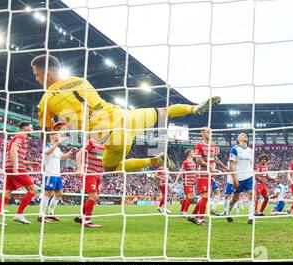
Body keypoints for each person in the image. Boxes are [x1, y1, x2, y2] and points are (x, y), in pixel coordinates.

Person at [31, 54, 220, 173]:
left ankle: (154, 159)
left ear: (47, 74)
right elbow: (82, 104)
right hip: (125, 116)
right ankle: (193, 108)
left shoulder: (45, 100)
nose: (37, 79)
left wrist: (57, 127)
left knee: (108, 169)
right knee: (163, 112)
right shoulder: (80, 80)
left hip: (112, 136)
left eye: (37, 75)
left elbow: (46, 135)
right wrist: (67, 121)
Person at [0, 122, 40, 226]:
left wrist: (31, 163)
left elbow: (16, 156)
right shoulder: (21, 136)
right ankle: (19, 214)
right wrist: (15, 167)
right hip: (15, 168)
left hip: (9, 167)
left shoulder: (17, 137)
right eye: (31, 127)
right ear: (25, 128)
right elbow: (13, 151)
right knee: (33, 190)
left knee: (6, 193)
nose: (33, 129)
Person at [188, 128, 227, 225]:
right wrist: (210, 167)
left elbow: (214, 158)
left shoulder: (212, 145)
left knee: (205, 196)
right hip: (203, 173)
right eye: (208, 132)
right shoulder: (199, 145)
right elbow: (198, 160)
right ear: (202, 133)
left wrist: (224, 167)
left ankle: (193, 215)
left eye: (211, 132)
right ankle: (201, 219)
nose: (210, 134)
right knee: (205, 196)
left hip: (210, 174)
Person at [38, 133, 77, 222]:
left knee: (59, 194)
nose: (60, 136)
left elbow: (63, 157)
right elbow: (47, 152)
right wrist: (58, 143)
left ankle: (50, 213)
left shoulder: (58, 148)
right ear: (52, 136)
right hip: (50, 173)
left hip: (57, 174)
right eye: (58, 135)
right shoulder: (47, 145)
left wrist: (71, 151)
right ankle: (41, 215)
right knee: (47, 194)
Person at [224, 133, 255, 224]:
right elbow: (231, 164)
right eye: (242, 135)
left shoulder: (250, 150)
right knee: (235, 198)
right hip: (238, 177)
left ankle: (250, 217)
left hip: (248, 175)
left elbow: (250, 164)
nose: (245, 135)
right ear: (238, 139)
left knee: (251, 194)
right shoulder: (235, 149)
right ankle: (228, 212)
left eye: (245, 135)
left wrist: (252, 172)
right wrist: (234, 178)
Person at [74, 138, 104, 228]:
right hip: (89, 173)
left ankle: (80, 216)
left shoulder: (106, 146)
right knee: (93, 196)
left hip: (98, 175)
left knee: (95, 197)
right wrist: (78, 169)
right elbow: (79, 154)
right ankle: (87, 221)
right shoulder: (92, 141)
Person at [174, 149, 196, 215]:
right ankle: (185, 212)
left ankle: (181, 212)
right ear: (189, 153)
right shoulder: (185, 162)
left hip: (191, 182)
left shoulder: (193, 162)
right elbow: (181, 171)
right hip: (187, 182)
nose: (194, 153)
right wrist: (176, 181)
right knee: (191, 196)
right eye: (193, 152)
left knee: (186, 197)